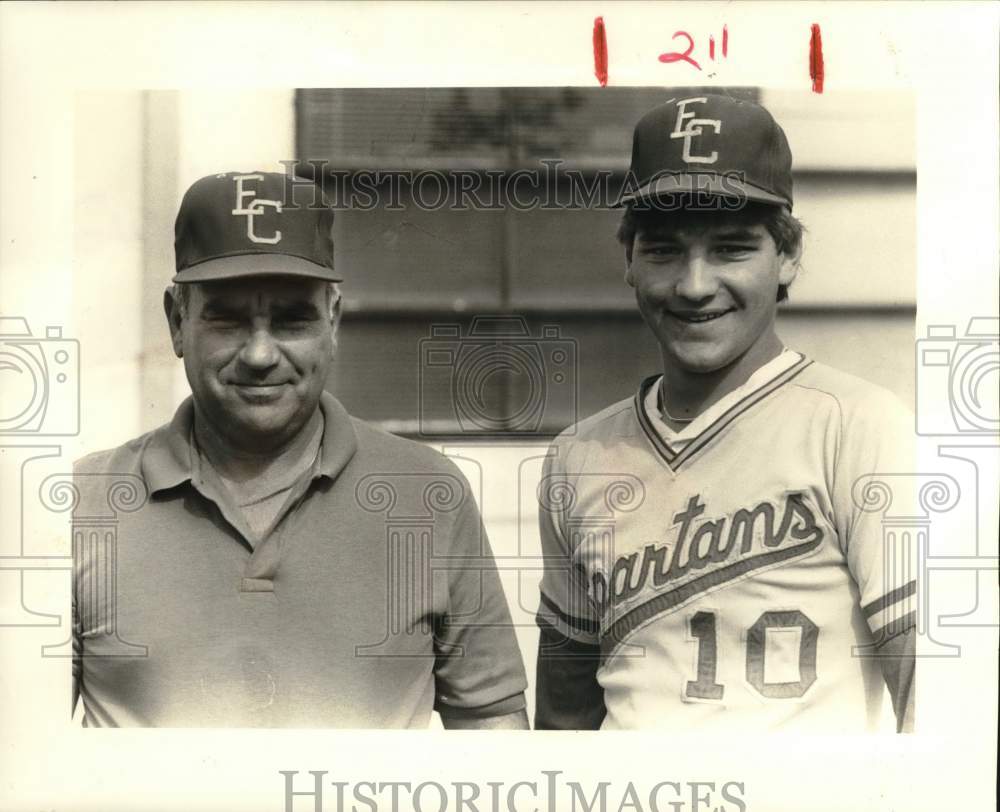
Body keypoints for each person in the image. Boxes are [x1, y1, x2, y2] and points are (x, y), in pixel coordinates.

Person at [72, 170, 528, 728]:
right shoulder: (82, 506)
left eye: (291, 319)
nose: (261, 354)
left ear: (332, 321)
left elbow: (491, 726)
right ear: (176, 322)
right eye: (228, 317)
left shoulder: (428, 494)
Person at [534, 94, 916, 732]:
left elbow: (933, 693)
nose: (693, 284)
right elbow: (565, 713)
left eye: (732, 249)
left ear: (788, 255)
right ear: (628, 259)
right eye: (662, 251)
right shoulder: (578, 456)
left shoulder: (858, 427)